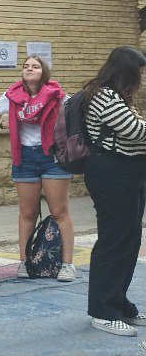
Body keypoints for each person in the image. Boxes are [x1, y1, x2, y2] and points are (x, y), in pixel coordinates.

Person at [0, 55, 75, 281]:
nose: (29, 69)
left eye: (35, 66)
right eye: (26, 66)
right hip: (24, 156)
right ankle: (24, 262)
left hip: (51, 156)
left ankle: (67, 265)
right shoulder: (13, 95)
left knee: (59, 212)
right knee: (27, 212)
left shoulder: (56, 95)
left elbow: (74, 112)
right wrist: (3, 122)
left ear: (43, 71)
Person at [81, 46, 146, 337]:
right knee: (114, 240)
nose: (143, 78)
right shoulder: (103, 95)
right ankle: (102, 311)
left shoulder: (119, 96)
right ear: (126, 71)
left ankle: (117, 302)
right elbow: (133, 130)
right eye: (140, 72)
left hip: (130, 173)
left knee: (130, 239)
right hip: (111, 173)